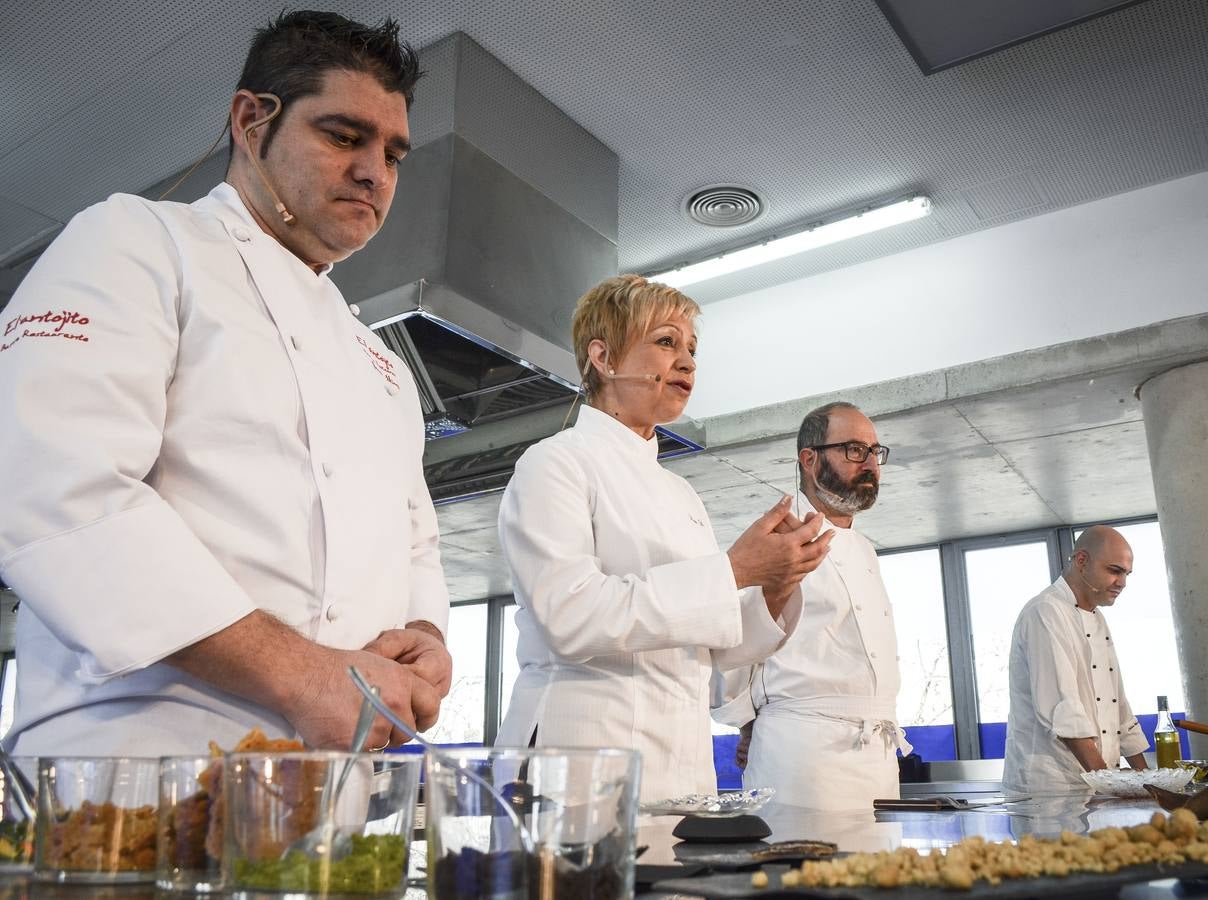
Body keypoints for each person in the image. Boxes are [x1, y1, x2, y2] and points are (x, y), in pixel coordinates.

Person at [0, 11, 452, 756]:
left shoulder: (384, 368)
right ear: (251, 120)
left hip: (328, 783)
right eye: (344, 136)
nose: (376, 171)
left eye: (394, 152)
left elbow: (417, 545)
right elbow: (50, 483)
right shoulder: (136, 242)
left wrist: (426, 635)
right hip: (136, 771)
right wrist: (299, 674)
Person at [496, 274, 833, 803]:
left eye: (692, 349)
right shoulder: (554, 464)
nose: (688, 362)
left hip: (681, 764)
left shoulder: (683, 497)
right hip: (578, 759)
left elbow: (711, 658)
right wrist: (735, 571)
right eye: (666, 342)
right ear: (603, 358)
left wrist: (774, 587)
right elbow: (571, 616)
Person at [713, 402, 907, 811]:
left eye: (875, 452)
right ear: (809, 459)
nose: (870, 463)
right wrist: (748, 723)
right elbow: (728, 647)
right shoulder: (776, 537)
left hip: (880, 759)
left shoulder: (867, 550)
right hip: (805, 759)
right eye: (855, 450)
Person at [1002, 525, 1149, 793]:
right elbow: (1064, 710)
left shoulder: (1098, 618)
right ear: (1082, 561)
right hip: (1051, 790)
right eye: (1114, 571)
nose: (1122, 583)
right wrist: (1113, 786)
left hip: (1097, 784)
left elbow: (1119, 710)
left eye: (1126, 574)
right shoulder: (1045, 612)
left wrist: (1150, 786)